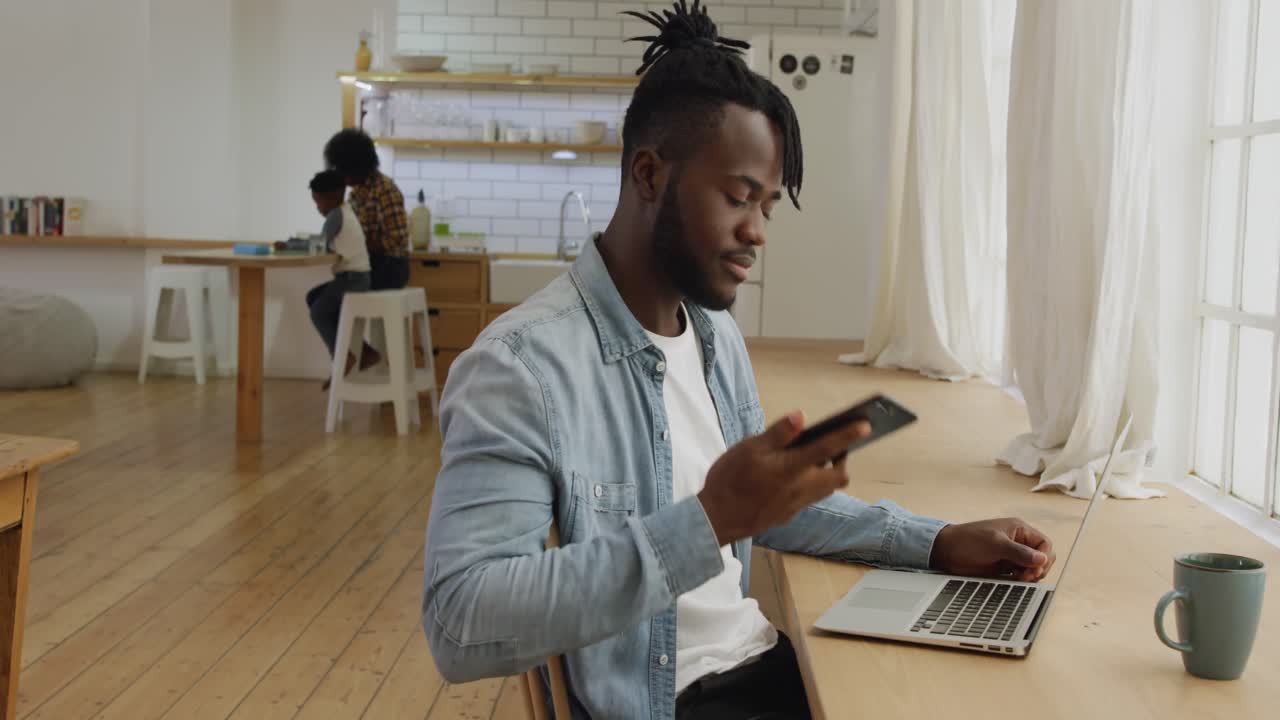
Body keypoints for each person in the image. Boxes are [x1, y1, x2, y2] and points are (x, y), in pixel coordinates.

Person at [422, 4, 1057, 719]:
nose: (757, 231)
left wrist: (935, 542)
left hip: (758, 666)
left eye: (768, 207)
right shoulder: (519, 369)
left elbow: (764, 512)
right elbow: (460, 624)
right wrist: (708, 521)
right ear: (649, 174)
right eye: (738, 198)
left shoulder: (714, 335)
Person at [301, 171, 375, 388]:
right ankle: (364, 350)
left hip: (352, 279)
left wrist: (291, 244)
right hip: (358, 277)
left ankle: (342, 358)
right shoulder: (345, 211)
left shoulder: (336, 215)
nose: (317, 208)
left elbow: (320, 244)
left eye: (318, 201)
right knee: (313, 297)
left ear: (332, 196)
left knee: (318, 312)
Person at [322, 128, 410, 291]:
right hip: (369, 263)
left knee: (334, 291)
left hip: (389, 266)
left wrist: (361, 245)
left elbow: (397, 239)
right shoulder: (356, 195)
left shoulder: (385, 190)